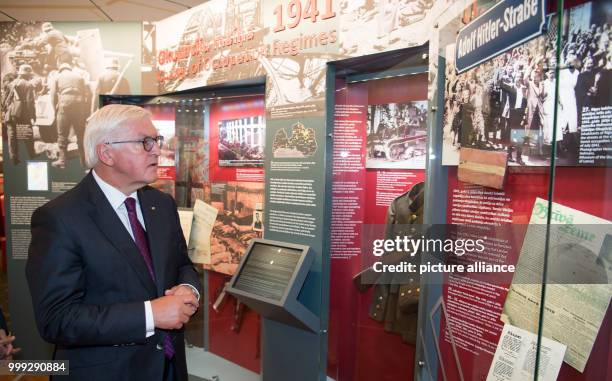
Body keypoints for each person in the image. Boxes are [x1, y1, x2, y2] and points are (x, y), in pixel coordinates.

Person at [26, 104, 201, 381]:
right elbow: (57, 319)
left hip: (170, 366)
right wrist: (149, 314)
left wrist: (189, 288)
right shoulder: (59, 219)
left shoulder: (161, 204)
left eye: (157, 140)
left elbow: (182, 264)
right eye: (145, 142)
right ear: (106, 153)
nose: (157, 149)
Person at [48, 61, 90, 168]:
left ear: (61, 69)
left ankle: (62, 161)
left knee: (62, 134)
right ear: (69, 69)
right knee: (80, 134)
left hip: (65, 104)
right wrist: (84, 110)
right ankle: (84, 161)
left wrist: (55, 109)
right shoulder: (79, 77)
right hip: (79, 104)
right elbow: (87, 94)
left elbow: (53, 95)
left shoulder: (57, 77)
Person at [4, 64, 37, 165]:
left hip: (11, 113)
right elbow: (30, 102)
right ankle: (32, 155)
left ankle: (14, 159)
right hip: (22, 113)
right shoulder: (28, 85)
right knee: (28, 134)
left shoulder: (11, 83)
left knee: (12, 135)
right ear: (26, 74)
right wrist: (33, 115)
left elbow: (5, 100)